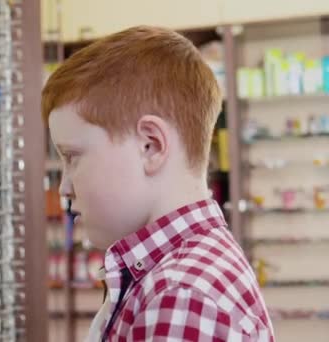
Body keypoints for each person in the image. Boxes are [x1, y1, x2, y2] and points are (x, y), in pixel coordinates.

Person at [42, 26, 274, 341]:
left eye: (73, 157)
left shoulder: (182, 294)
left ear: (150, 146)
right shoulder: (170, 276)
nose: (64, 188)